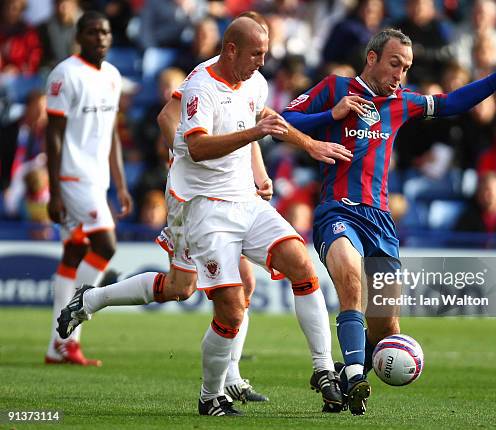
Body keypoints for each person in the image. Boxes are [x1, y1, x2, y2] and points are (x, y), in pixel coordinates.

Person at [58, 16, 353, 416]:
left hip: (243, 200)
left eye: (265, 54)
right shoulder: (200, 85)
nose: (262, 62)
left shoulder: (254, 81)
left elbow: (258, 118)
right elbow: (195, 144)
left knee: (302, 266)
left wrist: (305, 147)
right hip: (200, 205)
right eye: (256, 54)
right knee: (211, 297)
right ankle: (211, 392)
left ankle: (322, 370)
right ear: (230, 49)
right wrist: (185, 151)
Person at [282, 28, 496, 414]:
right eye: (394, 63)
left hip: (381, 221)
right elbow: (284, 121)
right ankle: (353, 377)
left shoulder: (402, 102)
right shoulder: (335, 88)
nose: (400, 74)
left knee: (386, 327)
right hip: (338, 210)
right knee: (350, 281)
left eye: (406, 67)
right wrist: (329, 116)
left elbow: (452, 103)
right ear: (372, 59)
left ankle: (342, 371)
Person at [44, 11, 133, 366]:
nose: (101, 37)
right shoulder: (65, 74)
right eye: (93, 32)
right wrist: (53, 190)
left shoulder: (112, 75)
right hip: (72, 178)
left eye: (105, 32)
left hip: (98, 180)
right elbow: (52, 135)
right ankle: (77, 311)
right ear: (79, 36)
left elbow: (111, 132)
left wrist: (121, 184)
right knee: (105, 244)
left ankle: (59, 344)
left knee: (73, 254)